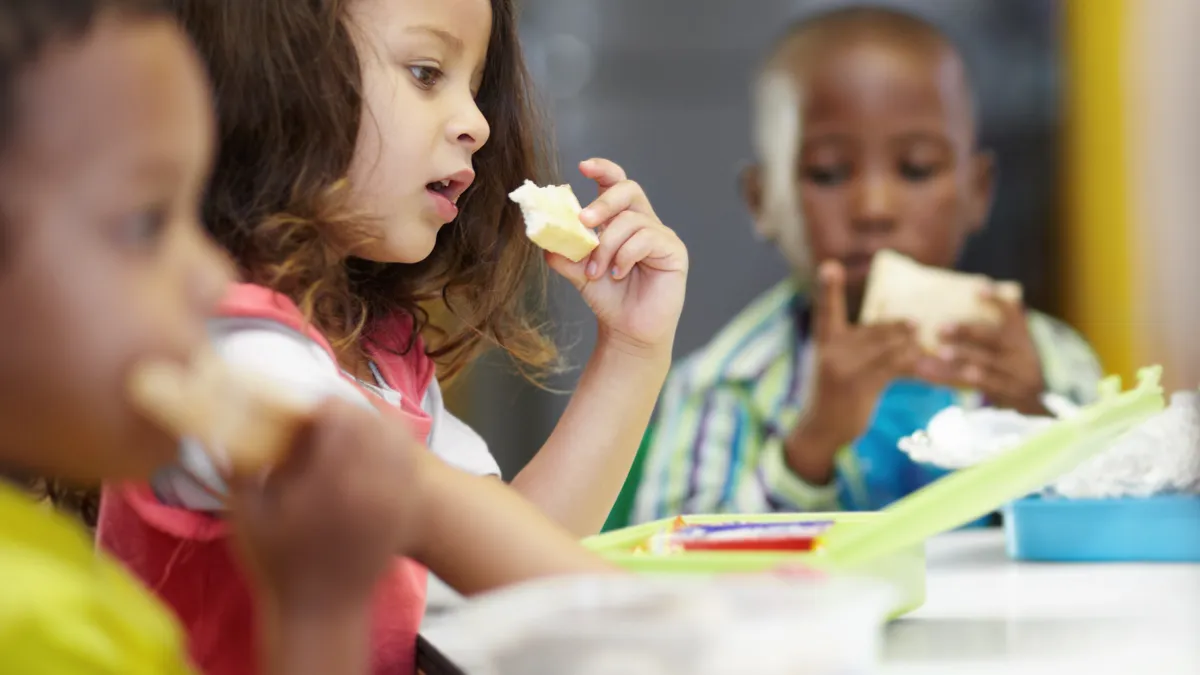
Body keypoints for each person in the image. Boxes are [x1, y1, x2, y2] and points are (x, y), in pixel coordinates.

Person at [98, 0, 682, 673]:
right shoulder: (229, 348)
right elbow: (453, 522)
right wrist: (682, 629)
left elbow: (505, 548)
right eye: (427, 72)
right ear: (277, 80)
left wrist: (635, 350)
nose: (477, 123)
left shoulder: (378, 350)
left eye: (474, 84)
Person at [0, 1, 574, 672]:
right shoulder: (40, 621)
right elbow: (471, 531)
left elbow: (508, 537)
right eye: (145, 225)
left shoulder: (52, 579)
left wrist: (316, 608)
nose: (210, 274)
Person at [632, 6, 1102, 522]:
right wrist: (811, 447)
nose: (874, 208)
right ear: (762, 203)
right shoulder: (725, 385)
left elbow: (1115, 533)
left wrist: (1033, 415)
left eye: (917, 169)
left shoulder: (1052, 361)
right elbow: (669, 572)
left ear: (978, 192)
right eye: (829, 174)